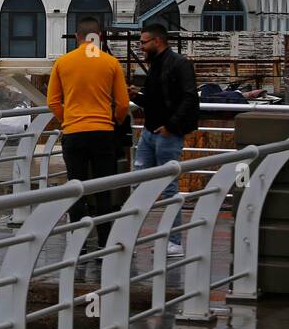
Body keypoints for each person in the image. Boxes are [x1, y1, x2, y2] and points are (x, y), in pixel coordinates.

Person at [47, 15, 130, 249]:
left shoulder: (63, 63)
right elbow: (123, 104)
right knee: (104, 189)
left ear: (77, 37)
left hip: (74, 133)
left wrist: (69, 120)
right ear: (99, 37)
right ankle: (104, 242)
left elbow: (53, 102)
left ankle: (78, 244)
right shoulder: (110, 63)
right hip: (103, 132)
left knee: (77, 188)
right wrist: (114, 121)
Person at [129, 22, 199, 257]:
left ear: (157, 41)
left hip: (166, 135)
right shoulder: (156, 65)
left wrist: (171, 126)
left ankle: (175, 242)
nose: (140, 46)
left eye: (143, 42)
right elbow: (155, 101)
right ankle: (130, 239)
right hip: (149, 133)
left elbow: (190, 97)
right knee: (138, 184)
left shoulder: (179, 64)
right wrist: (136, 96)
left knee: (169, 188)